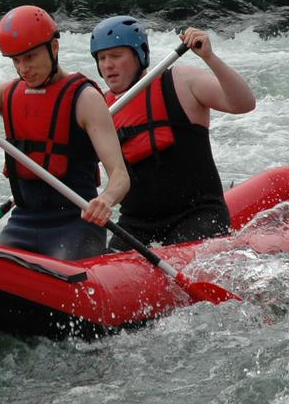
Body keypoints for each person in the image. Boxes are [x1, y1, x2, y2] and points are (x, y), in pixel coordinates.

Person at [0, 5, 129, 260]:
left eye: (30, 57)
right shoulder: (5, 94)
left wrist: (106, 198)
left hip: (75, 224)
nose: (23, 68)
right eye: (16, 60)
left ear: (54, 48)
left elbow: (120, 175)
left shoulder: (85, 99)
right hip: (23, 224)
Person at [89, 16, 256, 250]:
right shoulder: (99, 109)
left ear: (140, 55)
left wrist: (209, 57)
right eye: (102, 58)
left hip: (196, 215)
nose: (107, 65)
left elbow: (244, 103)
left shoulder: (180, 82)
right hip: (136, 225)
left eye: (116, 56)